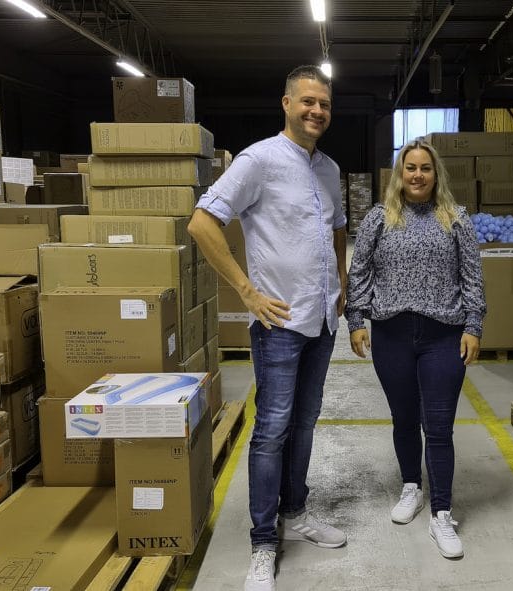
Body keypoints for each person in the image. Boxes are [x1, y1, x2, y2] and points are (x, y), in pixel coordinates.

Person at [188, 65, 347, 591]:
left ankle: (294, 514)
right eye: (308, 101)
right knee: (272, 429)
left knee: (304, 423)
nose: (316, 111)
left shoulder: (329, 169)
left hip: (322, 320)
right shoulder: (258, 160)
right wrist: (246, 290)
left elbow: (337, 228)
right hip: (278, 322)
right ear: (286, 103)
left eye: (324, 104)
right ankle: (262, 542)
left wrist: (341, 283)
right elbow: (202, 222)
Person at [345, 139, 485, 559]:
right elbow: (360, 271)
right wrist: (356, 320)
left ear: (436, 174)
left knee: (438, 426)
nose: (418, 175)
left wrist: (473, 325)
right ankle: (412, 487)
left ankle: (442, 513)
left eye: (425, 168)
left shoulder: (456, 219)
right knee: (404, 419)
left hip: (444, 335)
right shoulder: (379, 218)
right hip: (392, 335)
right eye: (411, 168)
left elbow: (472, 276)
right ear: (400, 174)